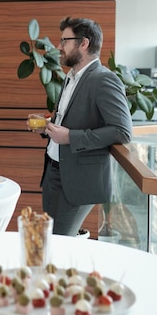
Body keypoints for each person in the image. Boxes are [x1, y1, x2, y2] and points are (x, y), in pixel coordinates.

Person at [40, 16, 132, 236]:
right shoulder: (71, 76)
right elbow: (70, 120)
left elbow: (122, 131)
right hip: (53, 171)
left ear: (84, 43)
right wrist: (49, 127)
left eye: (65, 41)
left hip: (77, 180)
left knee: (61, 245)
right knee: (48, 241)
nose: (58, 46)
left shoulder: (104, 79)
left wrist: (71, 137)